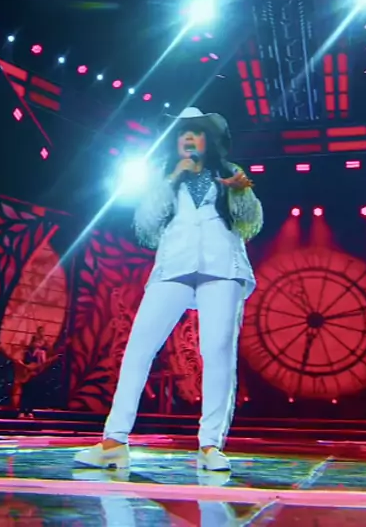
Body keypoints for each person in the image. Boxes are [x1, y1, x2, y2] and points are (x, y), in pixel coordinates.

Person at [75, 106, 263, 472]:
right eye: (183, 133)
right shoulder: (163, 175)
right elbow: (146, 225)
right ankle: (114, 441)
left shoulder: (228, 172)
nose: (189, 138)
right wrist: (173, 177)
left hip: (222, 265)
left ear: (208, 140)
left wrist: (242, 192)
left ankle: (210, 445)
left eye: (196, 132)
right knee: (138, 348)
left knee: (217, 353)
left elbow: (250, 222)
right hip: (174, 264)